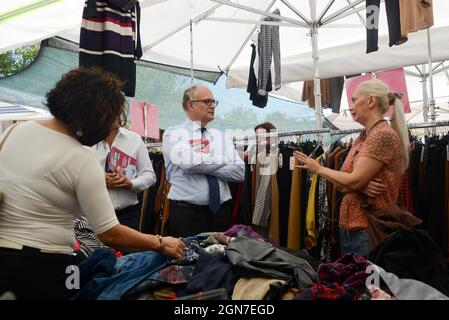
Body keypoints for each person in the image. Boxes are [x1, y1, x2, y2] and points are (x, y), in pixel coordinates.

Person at [0, 68, 184, 300]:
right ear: (93, 115)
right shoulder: (80, 158)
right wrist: (160, 241)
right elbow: (111, 234)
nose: (110, 127)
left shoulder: (17, 130)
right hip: (47, 264)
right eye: (109, 118)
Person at [293, 79, 409, 257]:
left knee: (367, 283)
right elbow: (342, 182)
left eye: (355, 100)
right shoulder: (362, 137)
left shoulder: (382, 135)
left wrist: (319, 169)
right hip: (352, 228)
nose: (351, 106)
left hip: (368, 228)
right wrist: (360, 185)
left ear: (370, 101)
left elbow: (350, 179)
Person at [163, 85, 245, 237]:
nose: (213, 105)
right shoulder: (172, 134)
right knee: (187, 259)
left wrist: (201, 163)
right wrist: (224, 159)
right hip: (187, 215)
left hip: (222, 213)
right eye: (207, 101)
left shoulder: (221, 136)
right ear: (190, 104)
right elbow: (189, 162)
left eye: (214, 102)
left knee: (221, 258)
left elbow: (239, 172)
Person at [89, 122, 156, 231]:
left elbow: (149, 175)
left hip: (127, 216)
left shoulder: (134, 139)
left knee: (127, 248)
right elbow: (72, 174)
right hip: (91, 216)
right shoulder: (85, 140)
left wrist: (131, 184)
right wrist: (98, 180)